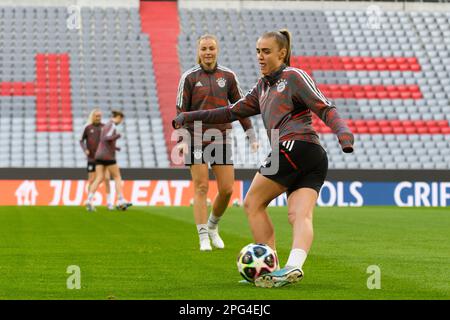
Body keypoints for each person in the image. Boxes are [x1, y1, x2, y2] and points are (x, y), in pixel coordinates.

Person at [173, 29, 354, 286]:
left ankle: (271, 267)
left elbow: (323, 106)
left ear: (282, 53)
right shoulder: (261, 88)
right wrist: (189, 117)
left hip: (292, 147)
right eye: (258, 51)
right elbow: (230, 112)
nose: (260, 56)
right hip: (313, 157)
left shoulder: (293, 76)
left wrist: (343, 132)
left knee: (252, 203)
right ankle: (291, 268)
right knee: (298, 216)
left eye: (266, 51)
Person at [175, 34, 259, 251]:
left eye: (211, 48)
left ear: (217, 50)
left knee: (227, 189)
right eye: (204, 48)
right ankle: (203, 236)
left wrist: (250, 133)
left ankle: (213, 226)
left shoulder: (228, 76)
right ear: (198, 51)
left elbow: (241, 107)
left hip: (221, 138)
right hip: (195, 137)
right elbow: (181, 111)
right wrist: (183, 139)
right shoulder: (189, 77)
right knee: (201, 186)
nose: (208, 52)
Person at [85, 110, 132, 212]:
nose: (120, 122)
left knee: (99, 178)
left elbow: (103, 141)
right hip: (107, 156)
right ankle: (120, 200)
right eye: (121, 119)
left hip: (98, 155)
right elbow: (106, 138)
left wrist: (115, 148)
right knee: (117, 176)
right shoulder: (112, 125)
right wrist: (117, 136)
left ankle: (89, 200)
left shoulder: (106, 125)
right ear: (118, 117)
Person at [79, 108, 114, 210]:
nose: (98, 118)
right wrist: (85, 149)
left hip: (103, 157)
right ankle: (90, 203)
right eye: (97, 116)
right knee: (91, 180)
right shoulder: (87, 127)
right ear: (92, 116)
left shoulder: (104, 127)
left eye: (100, 116)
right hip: (91, 158)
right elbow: (81, 141)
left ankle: (109, 203)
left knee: (107, 178)